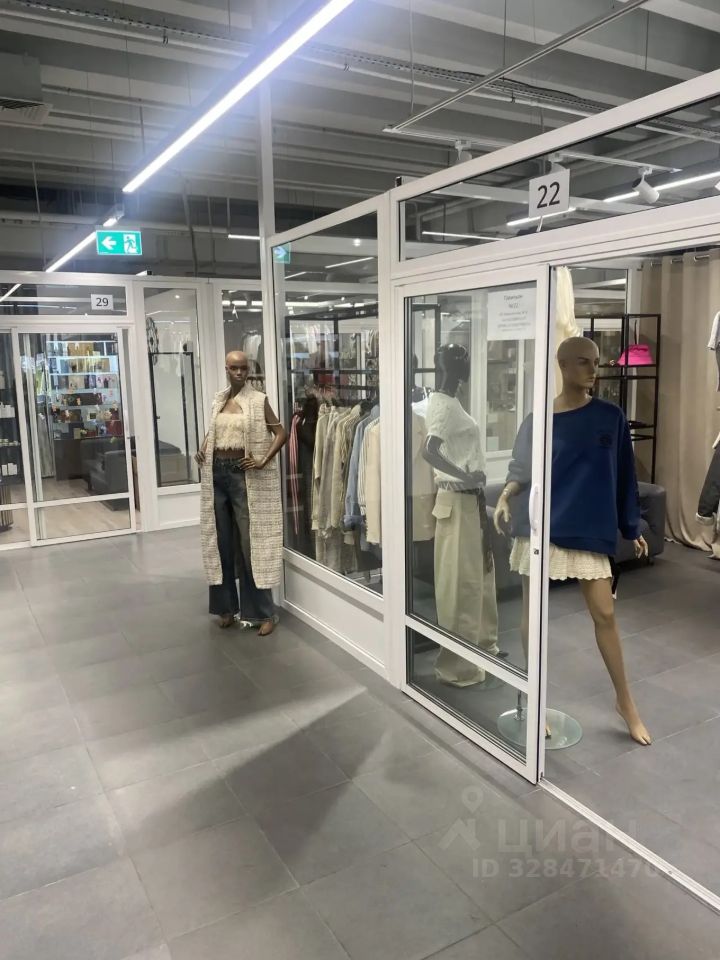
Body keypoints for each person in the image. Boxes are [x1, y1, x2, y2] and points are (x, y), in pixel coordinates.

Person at [494, 336, 651, 745]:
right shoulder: (540, 418)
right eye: (582, 362)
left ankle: (625, 702)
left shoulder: (610, 417)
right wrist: (507, 495)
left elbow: (624, 475)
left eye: (595, 362)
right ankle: (536, 698)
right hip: (540, 525)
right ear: (562, 366)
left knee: (605, 614)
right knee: (532, 616)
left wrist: (632, 527)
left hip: (588, 526)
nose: (592, 370)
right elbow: (522, 467)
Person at [196, 351, 287, 635]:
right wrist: (203, 449)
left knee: (250, 545)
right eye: (234, 368)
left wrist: (262, 460)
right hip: (216, 474)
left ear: (248, 370)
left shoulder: (258, 400)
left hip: (242, 475)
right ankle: (226, 608)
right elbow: (213, 431)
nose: (239, 373)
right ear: (226, 369)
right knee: (220, 542)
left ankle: (263, 612)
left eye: (243, 368)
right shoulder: (219, 400)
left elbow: (281, 433)